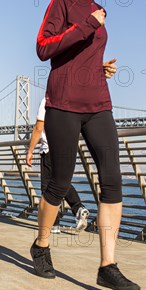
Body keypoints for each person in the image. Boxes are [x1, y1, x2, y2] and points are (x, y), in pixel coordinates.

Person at [32, 0, 140, 290]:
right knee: (60, 181)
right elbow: (44, 48)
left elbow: (83, 53)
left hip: (99, 103)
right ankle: (42, 245)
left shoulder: (99, 9)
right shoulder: (61, 4)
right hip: (63, 104)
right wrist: (85, 27)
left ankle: (108, 265)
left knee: (112, 180)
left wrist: (99, 67)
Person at [26, 97, 90, 234]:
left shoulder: (47, 100)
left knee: (47, 187)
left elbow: (38, 128)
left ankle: (53, 224)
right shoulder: (70, 100)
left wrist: (30, 151)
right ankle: (78, 209)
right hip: (67, 149)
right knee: (61, 182)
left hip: (49, 150)